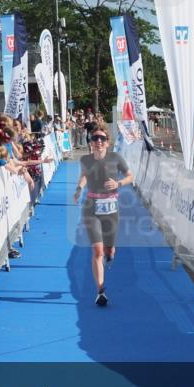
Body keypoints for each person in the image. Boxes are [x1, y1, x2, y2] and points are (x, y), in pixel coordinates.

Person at [74, 127, 134, 307]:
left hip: (111, 209)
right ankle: (100, 290)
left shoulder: (116, 158)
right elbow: (84, 176)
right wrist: (79, 188)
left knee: (109, 251)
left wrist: (118, 183)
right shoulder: (85, 159)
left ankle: (110, 252)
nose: (98, 141)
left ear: (107, 142)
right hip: (91, 208)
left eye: (102, 138)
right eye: (95, 138)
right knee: (97, 251)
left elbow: (131, 176)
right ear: (91, 142)